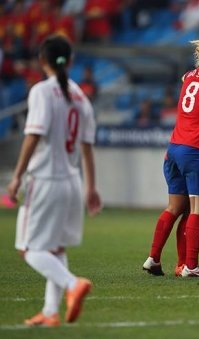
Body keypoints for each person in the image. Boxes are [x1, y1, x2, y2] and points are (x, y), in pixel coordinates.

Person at [7, 35, 101, 326]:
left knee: (29, 249)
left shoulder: (42, 92)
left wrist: (17, 175)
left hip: (45, 180)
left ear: (42, 61)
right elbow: (87, 146)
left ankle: (73, 284)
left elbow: (34, 135)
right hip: (71, 182)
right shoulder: (80, 96)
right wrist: (91, 187)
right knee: (55, 249)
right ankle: (50, 312)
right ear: (70, 61)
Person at [142, 37, 199, 278]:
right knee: (198, 210)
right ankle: (191, 266)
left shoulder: (190, 76)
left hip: (173, 149)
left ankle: (153, 258)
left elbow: (193, 78)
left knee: (174, 207)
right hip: (196, 151)